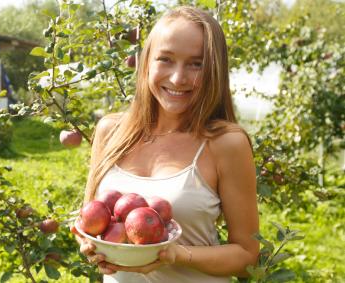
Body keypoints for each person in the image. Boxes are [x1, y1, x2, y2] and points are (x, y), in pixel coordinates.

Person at [71, 6, 259, 283]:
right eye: (166, 59)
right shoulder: (110, 131)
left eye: (197, 64)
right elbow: (88, 225)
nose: (178, 78)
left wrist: (178, 255)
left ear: (214, 71)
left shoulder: (225, 143)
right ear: (146, 62)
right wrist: (89, 246)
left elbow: (247, 257)